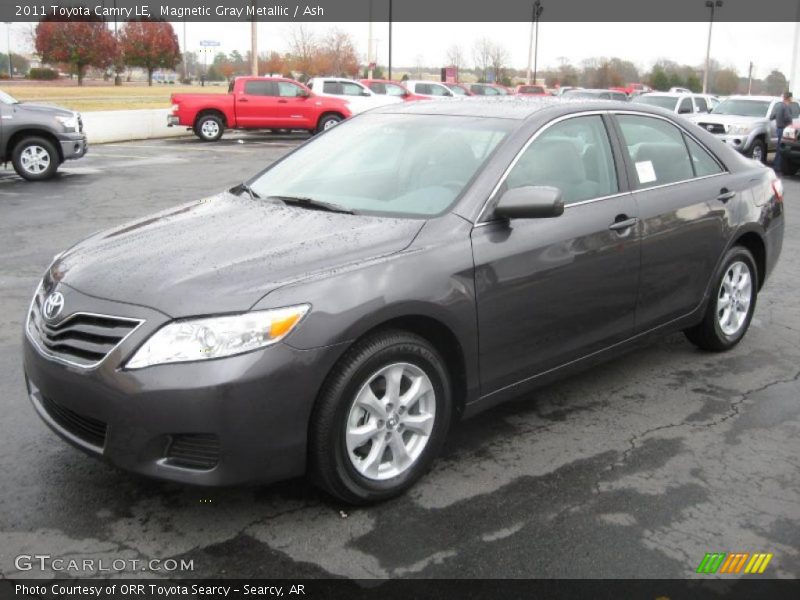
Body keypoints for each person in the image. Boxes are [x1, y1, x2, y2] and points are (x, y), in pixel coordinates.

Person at [770, 91, 793, 172]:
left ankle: (775, 165)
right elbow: (788, 118)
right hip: (784, 129)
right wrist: (791, 123)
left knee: (779, 148)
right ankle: (777, 167)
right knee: (782, 149)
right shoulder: (786, 106)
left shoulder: (778, 106)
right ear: (789, 98)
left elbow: (772, 116)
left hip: (778, 128)